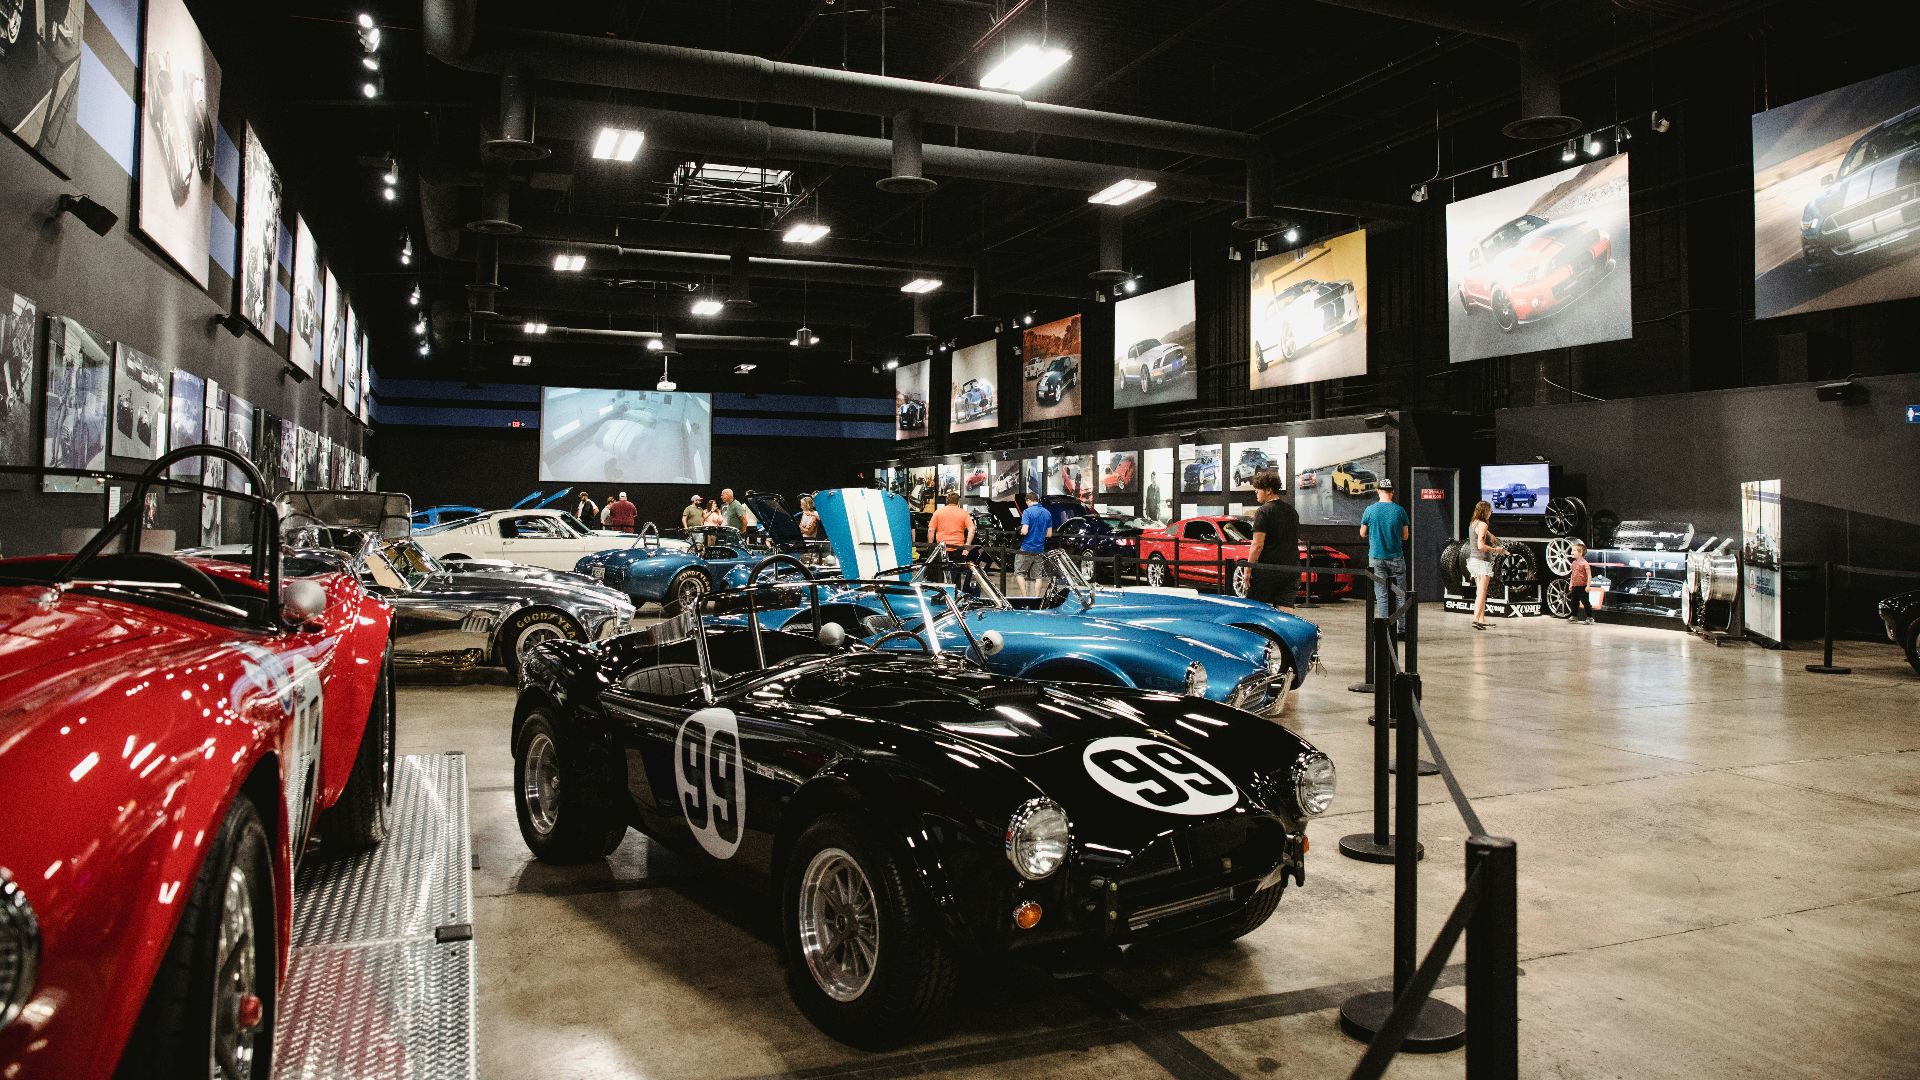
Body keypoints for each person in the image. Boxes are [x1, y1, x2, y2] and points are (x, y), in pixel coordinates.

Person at [1359, 478, 1411, 634]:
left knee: (1381, 595)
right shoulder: (1400, 511)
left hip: (1376, 557)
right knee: (1400, 594)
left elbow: (1362, 533)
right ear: (1392, 492)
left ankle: (1385, 629)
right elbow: (1405, 536)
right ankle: (1402, 629)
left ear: (1378, 491)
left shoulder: (1370, 510)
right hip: (1396, 557)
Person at [1243, 469, 1299, 610]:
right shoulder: (1292, 511)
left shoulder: (1263, 511)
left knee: (1253, 609)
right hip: (1292, 569)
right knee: (1285, 612)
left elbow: (1257, 545)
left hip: (1268, 569)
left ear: (1268, 490)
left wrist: (1248, 570)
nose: (1256, 492)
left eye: (1258, 489)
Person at [1467, 500, 1506, 629]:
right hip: (1481, 562)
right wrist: (1496, 550)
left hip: (1474, 561)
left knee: (1481, 591)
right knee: (1482, 592)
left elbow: (1491, 537)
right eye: (1490, 510)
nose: (1491, 513)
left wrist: (1497, 543)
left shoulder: (1474, 523)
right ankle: (1475, 620)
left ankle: (1481, 619)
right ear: (1485, 511)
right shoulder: (1483, 524)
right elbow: (1481, 546)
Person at [927, 492, 976, 582]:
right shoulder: (964, 513)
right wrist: (967, 545)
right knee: (956, 575)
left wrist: (930, 546)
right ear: (958, 501)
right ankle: (956, 590)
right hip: (958, 548)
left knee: (941, 574)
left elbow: (931, 530)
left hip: (941, 548)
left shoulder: (938, 512)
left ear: (947, 500)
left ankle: (942, 589)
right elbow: (972, 529)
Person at [1014, 491, 1052, 597]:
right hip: (1040, 548)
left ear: (1028, 500)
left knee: (1019, 573)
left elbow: (1025, 531)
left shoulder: (1027, 512)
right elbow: (1049, 534)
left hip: (1027, 547)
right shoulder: (1047, 513)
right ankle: (1036, 598)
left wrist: (1021, 531)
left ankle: (1025, 597)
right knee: (1038, 576)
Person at [1567, 541, 1594, 623]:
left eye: (1574, 550)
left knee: (1585, 602)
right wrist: (1571, 584)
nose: (1572, 552)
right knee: (1574, 602)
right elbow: (1572, 574)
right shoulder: (1573, 563)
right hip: (1575, 586)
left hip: (1583, 586)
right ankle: (1574, 616)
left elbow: (1589, 575)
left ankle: (1589, 617)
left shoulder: (1585, 563)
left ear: (1581, 552)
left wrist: (1588, 586)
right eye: (1572, 550)